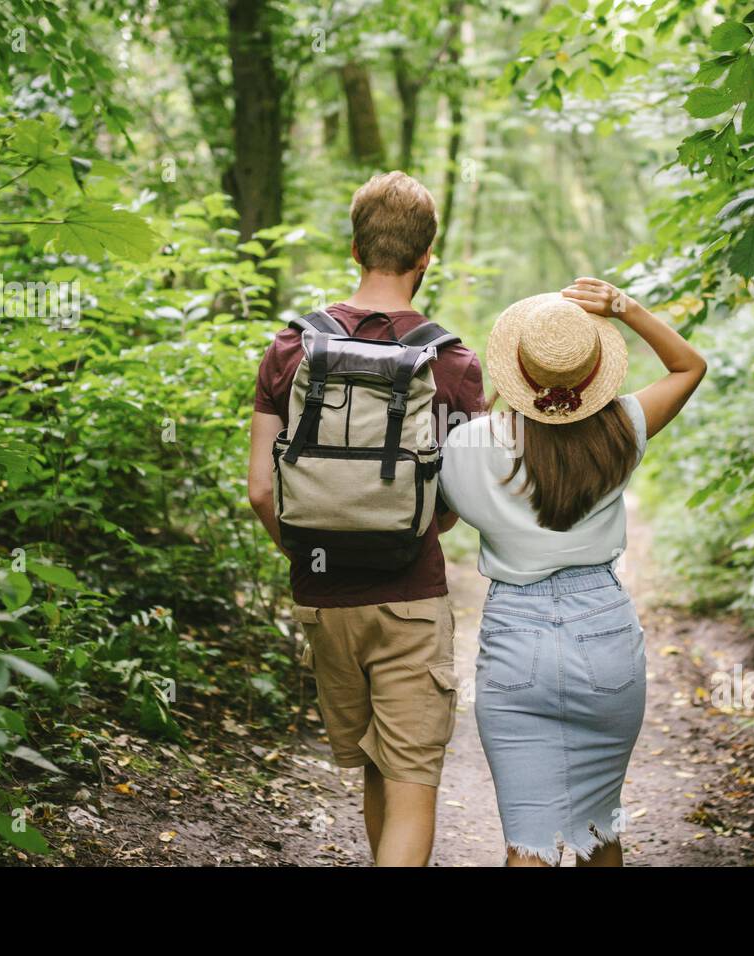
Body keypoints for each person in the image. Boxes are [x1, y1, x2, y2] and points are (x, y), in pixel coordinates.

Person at [247, 171, 484, 866]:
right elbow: (464, 496)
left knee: (377, 768)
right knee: (410, 780)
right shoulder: (452, 363)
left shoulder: (291, 349)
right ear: (427, 257)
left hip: (323, 598)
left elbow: (262, 491)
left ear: (355, 248)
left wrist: (311, 554)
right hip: (410, 596)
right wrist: (410, 528)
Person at [437, 278, 706, 867]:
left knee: (527, 843)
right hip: (604, 635)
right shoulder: (625, 429)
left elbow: (442, 522)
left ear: (517, 371)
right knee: (599, 831)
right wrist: (624, 308)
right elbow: (689, 367)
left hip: (515, 639)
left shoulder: (465, 445)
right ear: (594, 373)